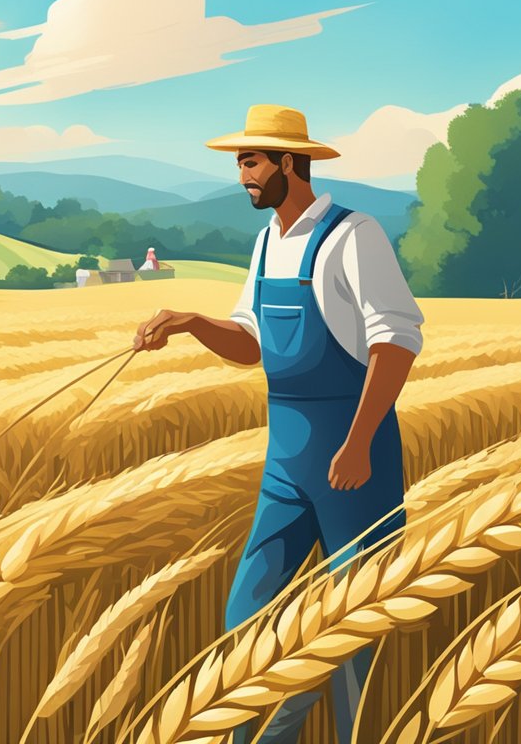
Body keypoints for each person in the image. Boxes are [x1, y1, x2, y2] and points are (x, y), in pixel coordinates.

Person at [132, 104, 424, 743]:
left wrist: (358, 442)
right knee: (246, 621)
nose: (242, 176)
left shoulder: (354, 235)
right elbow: (251, 342)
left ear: (291, 163)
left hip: (354, 462)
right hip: (286, 464)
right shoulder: (268, 241)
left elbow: (396, 341)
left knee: (354, 628)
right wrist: (189, 322)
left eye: (251, 161)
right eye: (241, 162)